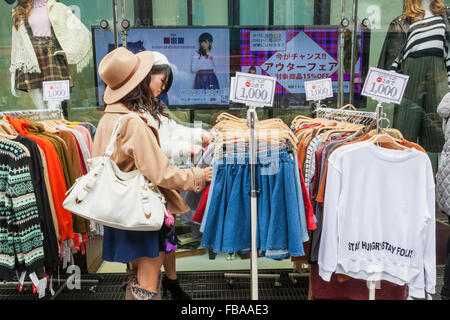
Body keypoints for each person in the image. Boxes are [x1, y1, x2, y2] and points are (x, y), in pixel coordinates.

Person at [94, 47, 212, 300]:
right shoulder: (134, 122)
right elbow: (160, 172)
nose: (162, 86)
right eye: (160, 80)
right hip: (142, 211)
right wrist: (198, 177)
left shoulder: (109, 118)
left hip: (121, 211)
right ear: (142, 81)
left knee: (135, 278)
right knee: (147, 283)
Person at [146, 52, 210, 299]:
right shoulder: (136, 111)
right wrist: (188, 148)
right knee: (154, 246)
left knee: (168, 238)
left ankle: (171, 281)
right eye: (161, 80)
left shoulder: (153, 105)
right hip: (149, 190)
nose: (163, 86)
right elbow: (155, 148)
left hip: (161, 188)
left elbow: (172, 130)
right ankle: (159, 284)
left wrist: (199, 135)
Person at [378, 0, 449, 153]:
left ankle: (437, 175)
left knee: (440, 133)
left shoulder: (445, 16)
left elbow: (448, 53)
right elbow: (396, 56)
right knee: (405, 128)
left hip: (438, 74)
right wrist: (388, 79)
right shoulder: (403, 21)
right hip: (410, 73)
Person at [10, 0, 92, 110]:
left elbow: (77, 31)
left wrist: (68, 51)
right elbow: (17, 42)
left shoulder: (58, 8)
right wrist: (14, 69)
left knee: (54, 104)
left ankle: (55, 118)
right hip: (30, 58)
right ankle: (44, 116)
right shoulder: (19, 11)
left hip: (52, 55)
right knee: (39, 104)